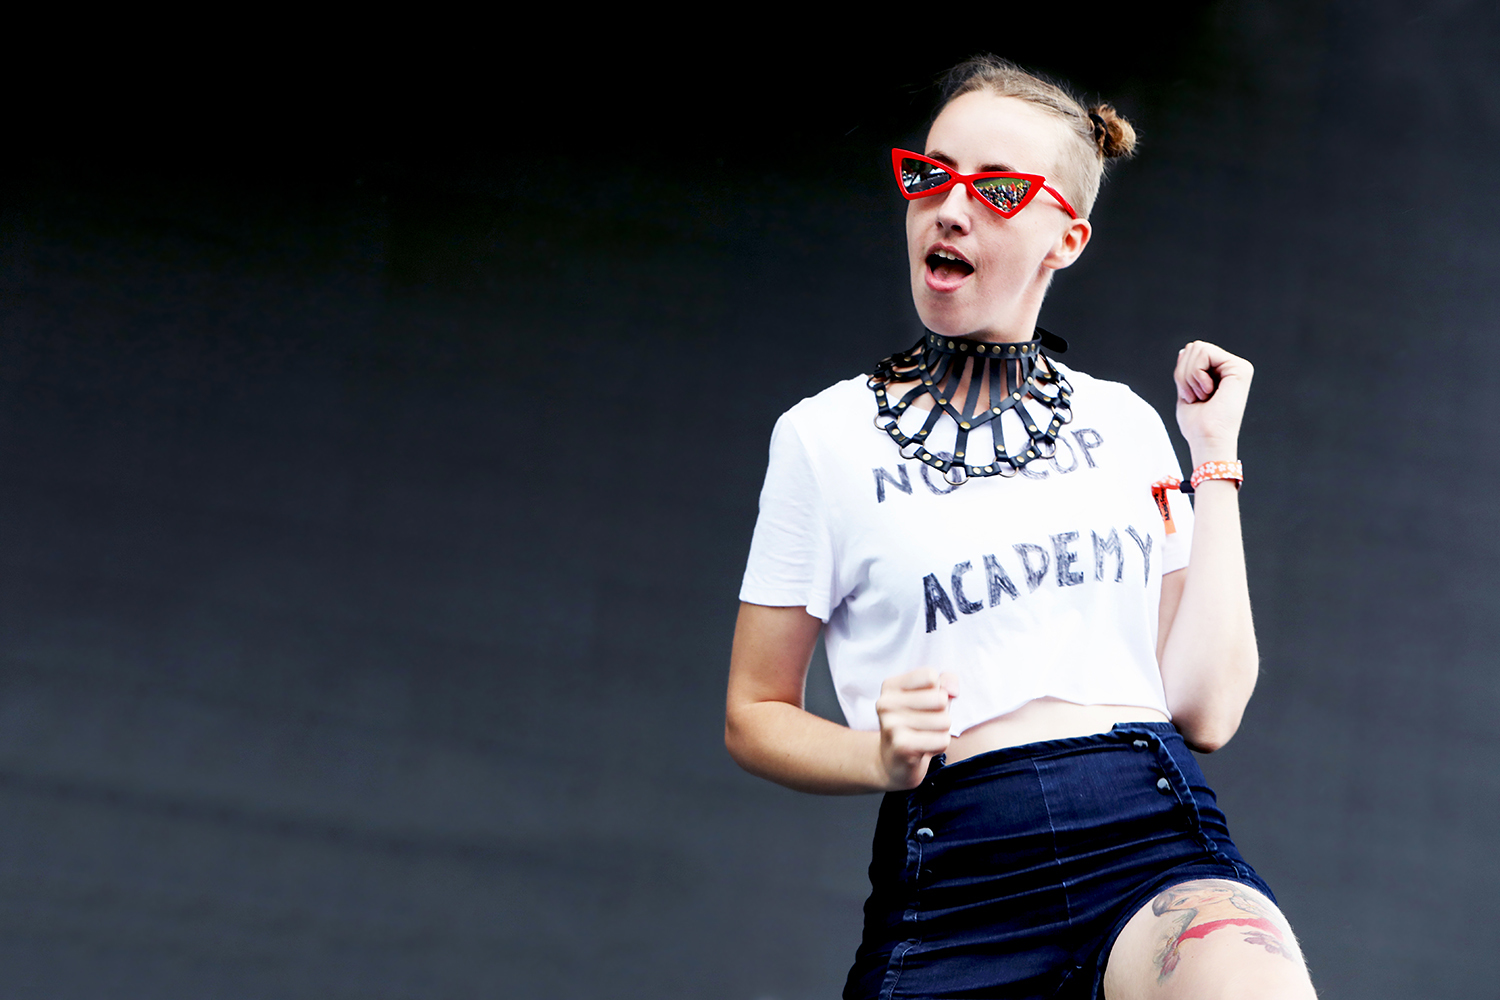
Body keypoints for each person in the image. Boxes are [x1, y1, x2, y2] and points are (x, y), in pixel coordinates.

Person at [724, 55, 1318, 1000]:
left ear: (1066, 238)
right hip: (954, 876)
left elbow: (1207, 708)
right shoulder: (821, 437)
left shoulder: (1125, 423)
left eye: (997, 190)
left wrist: (1213, 458)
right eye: (931, 174)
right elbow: (754, 712)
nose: (951, 207)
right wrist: (874, 754)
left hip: (1147, 838)